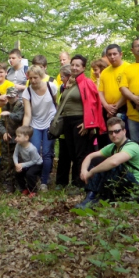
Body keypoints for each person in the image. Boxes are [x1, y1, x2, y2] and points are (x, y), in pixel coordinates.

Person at [55, 56, 106, 190]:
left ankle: (81, 183)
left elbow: (94, 104)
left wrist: (87, 123)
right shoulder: (69, 83)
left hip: (80, 121)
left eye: (78, 65)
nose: (74, 68)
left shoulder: (87, 82)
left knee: (81, 153)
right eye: (72, 65)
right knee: (71, 152)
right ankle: (75, 182)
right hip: (67, 121)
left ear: (83, 68)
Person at [76, 117, 139, 209]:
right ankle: (90, 196)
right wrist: (84, 171)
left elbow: (114, 162)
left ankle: (96, 197)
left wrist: (92, 171)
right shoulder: (113, 146)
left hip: (137, 184)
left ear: (124, 131)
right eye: (110, 132)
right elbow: (90, 156)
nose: (114, 135)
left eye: (117, 131)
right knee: (98, 161)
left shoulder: (131, 146)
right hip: (124, 182)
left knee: (110, 165)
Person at [22, 65, 58, 191]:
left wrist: (57, 121)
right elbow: (27, 114)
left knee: (47, 153)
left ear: (41, 76)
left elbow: (56, 104)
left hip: (50, 122)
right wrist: (23, 132)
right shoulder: (27, 91)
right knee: (34, 151)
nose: (33, 81)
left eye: (35, 78)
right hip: (35, 123)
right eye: (30, 78)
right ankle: (33, 179)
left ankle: (44, 182)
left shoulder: (51, 87)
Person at [0, 86, 25, 193]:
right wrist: (4, 132)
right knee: (6, 163)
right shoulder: (5, 107)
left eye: (12, 97)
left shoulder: (21, 106)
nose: (10, 99)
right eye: (8, 97)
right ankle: (8, 185)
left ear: (17, 96)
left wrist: (9, 114)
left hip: (18, 139)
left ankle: (19, 185)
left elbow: (19, 117)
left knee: (18, 162)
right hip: (7, 140)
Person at [13, 125, 43, 196]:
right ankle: (24, 188)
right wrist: (17, 164)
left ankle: (33, 190)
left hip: (37, 164)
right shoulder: (18, 145)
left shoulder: (32, 149)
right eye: (16, 136)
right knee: (18, 173)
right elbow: (15, 155)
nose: (16, 138)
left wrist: (22, 165)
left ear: (26, 137)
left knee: (29, 174)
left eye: (18, 136)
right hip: (27, 163)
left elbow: (34, 161)